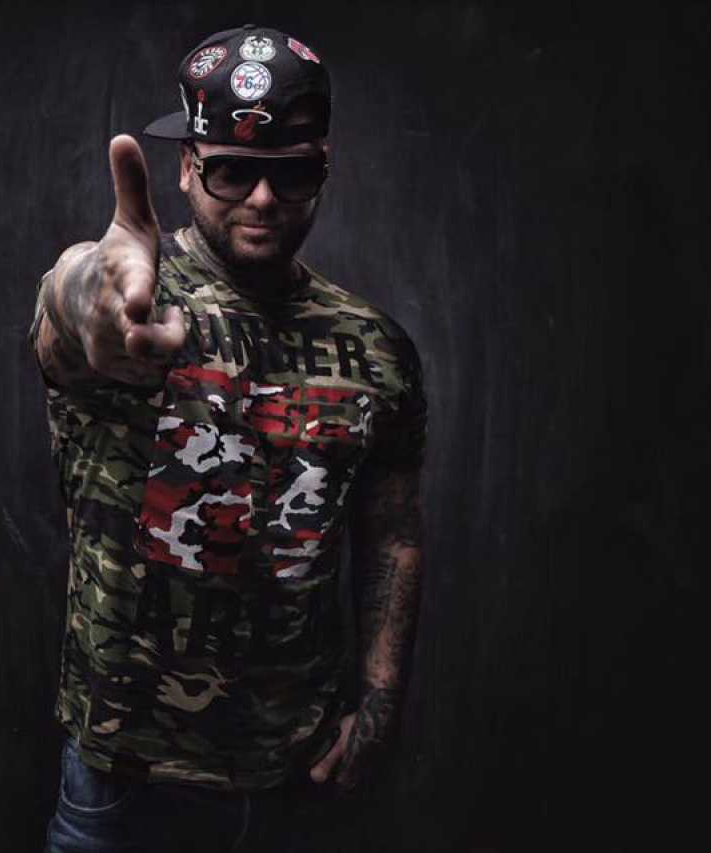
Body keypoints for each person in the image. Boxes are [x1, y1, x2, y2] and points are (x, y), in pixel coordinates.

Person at [28, 24, 428, 852]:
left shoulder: (376, 347)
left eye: (292, 172)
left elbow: (390, 533)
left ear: (323, 168)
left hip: (295, 787)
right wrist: (85, 299)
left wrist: (379, 704)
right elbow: (67, 318)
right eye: (233, 170)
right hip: (125, 785)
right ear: (187, 167)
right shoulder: (132, 301)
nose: (263, 199)